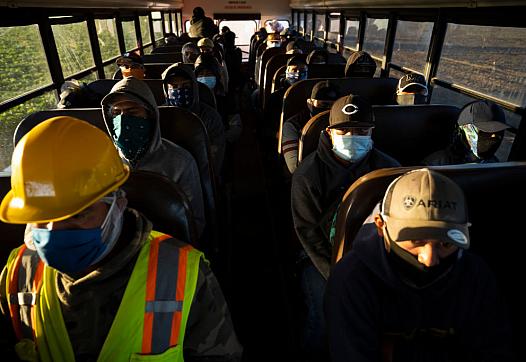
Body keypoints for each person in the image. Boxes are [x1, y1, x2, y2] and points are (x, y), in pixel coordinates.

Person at [0, 116, 243, 361]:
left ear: (118, 203)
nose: (54, 231)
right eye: (41, 216)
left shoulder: (181, 273)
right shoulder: (17, 274)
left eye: (78, 214)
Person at [325, 168, 514, 361]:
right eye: (416, 241)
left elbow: (496, 349)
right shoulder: (352, 281)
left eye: (445, 244)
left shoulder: (475, 276)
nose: (430, 259)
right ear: (381, 226)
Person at [291, 94, 400, 361]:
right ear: (329, 132)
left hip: (377, 254)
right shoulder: (308, 174)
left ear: (372, 132)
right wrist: (337, 274)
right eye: (344, 130)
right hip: (321, 256)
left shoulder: (389, 169)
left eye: (361, 130)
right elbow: (308, 233)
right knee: (326, 311)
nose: (353, 136)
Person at [101, 77, 206, 237]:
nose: (123, 120)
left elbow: (195, 222)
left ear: (150, 115)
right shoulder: (102, 163)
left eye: (132, 112)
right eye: (116, 113)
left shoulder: (180, 162)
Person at [162, 63, 226, 177]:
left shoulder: (210, 116)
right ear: (166, 90)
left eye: (185, 86)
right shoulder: (159, 116)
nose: (180, 91)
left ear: (194, 88)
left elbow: (215, 158)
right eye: (174, 87)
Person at [423, 100, 509, 165]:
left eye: (498, 132)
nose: (494, 136)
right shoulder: (437, 164)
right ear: (463, 131)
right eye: (485, 131)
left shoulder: (494, 165)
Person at [281, 80, 341, 174]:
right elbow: (295, 167)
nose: (328, 110)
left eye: (333, 106)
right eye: (323, 105)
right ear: (310, 103)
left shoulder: (343, 124)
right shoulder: (293, 125)